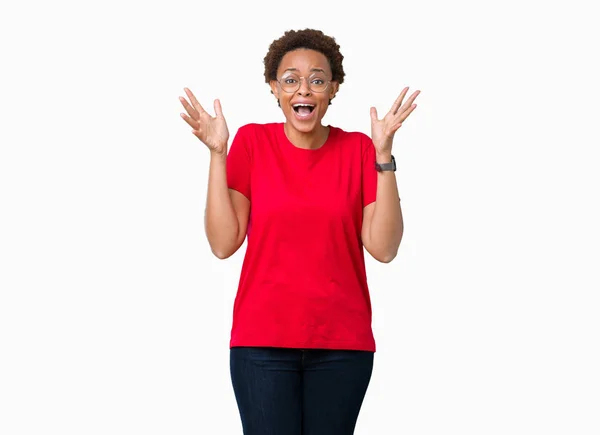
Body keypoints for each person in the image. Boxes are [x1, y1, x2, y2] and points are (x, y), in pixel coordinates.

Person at [179, 28, 419, 435]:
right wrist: (218, 154)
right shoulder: (254, 142)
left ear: (333, 89)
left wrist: (384, 157)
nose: (302, 89)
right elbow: (223, 244)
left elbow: (384, 248)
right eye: (290, 79)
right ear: (275, 88)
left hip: (343, 344)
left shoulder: (360, 149)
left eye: (317, 80)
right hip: (261, 344)